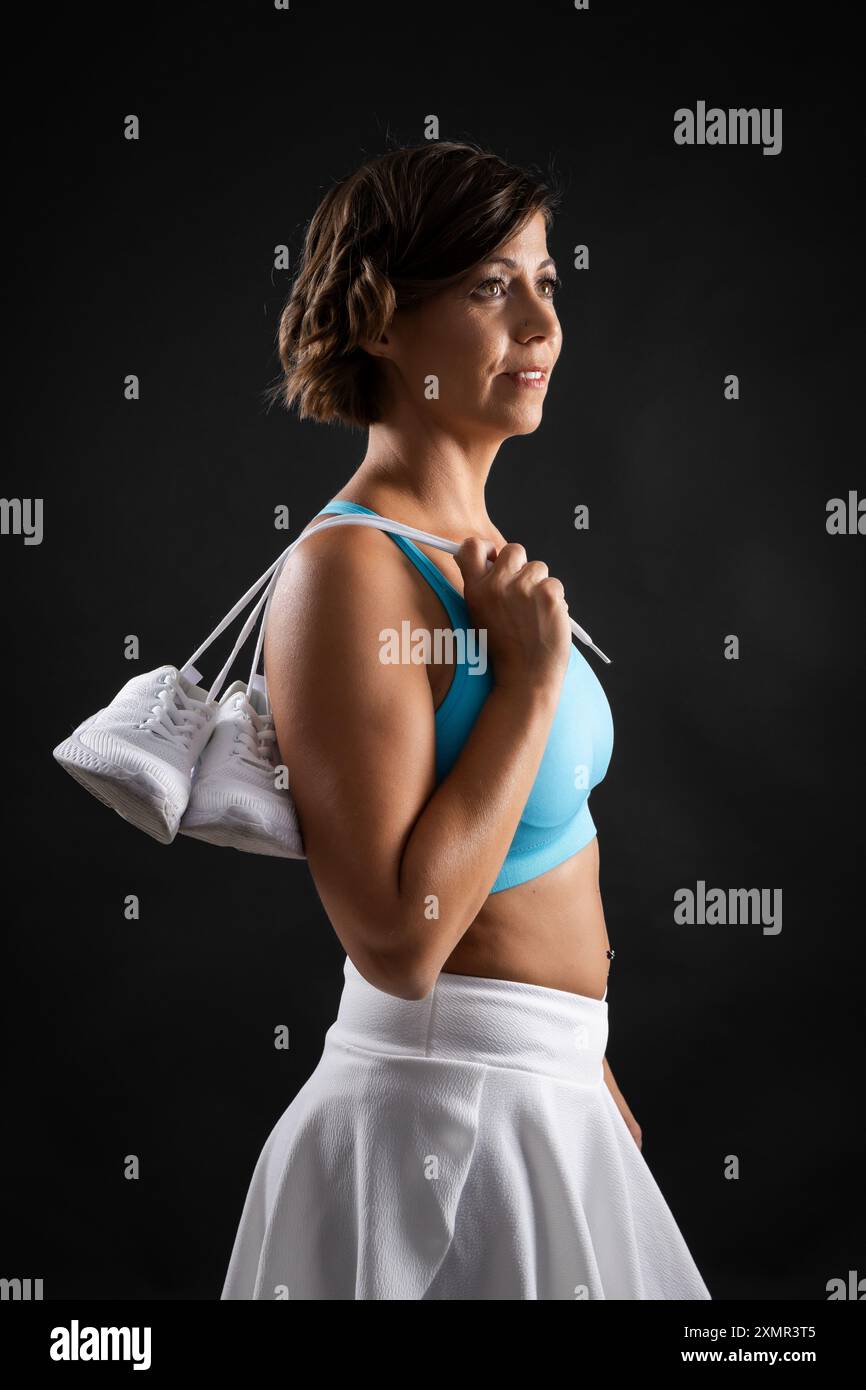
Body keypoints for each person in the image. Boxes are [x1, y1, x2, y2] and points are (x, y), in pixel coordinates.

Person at [220, 139, 711, 1300]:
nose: (539, 325)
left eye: (547, 282)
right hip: (434, 1138)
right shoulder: (349, 571)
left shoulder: (473, 563)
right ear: (382, 318)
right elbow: (395, 944)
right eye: (492, 286)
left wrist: (580, 1062)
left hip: (548, 1106)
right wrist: (532, 686)